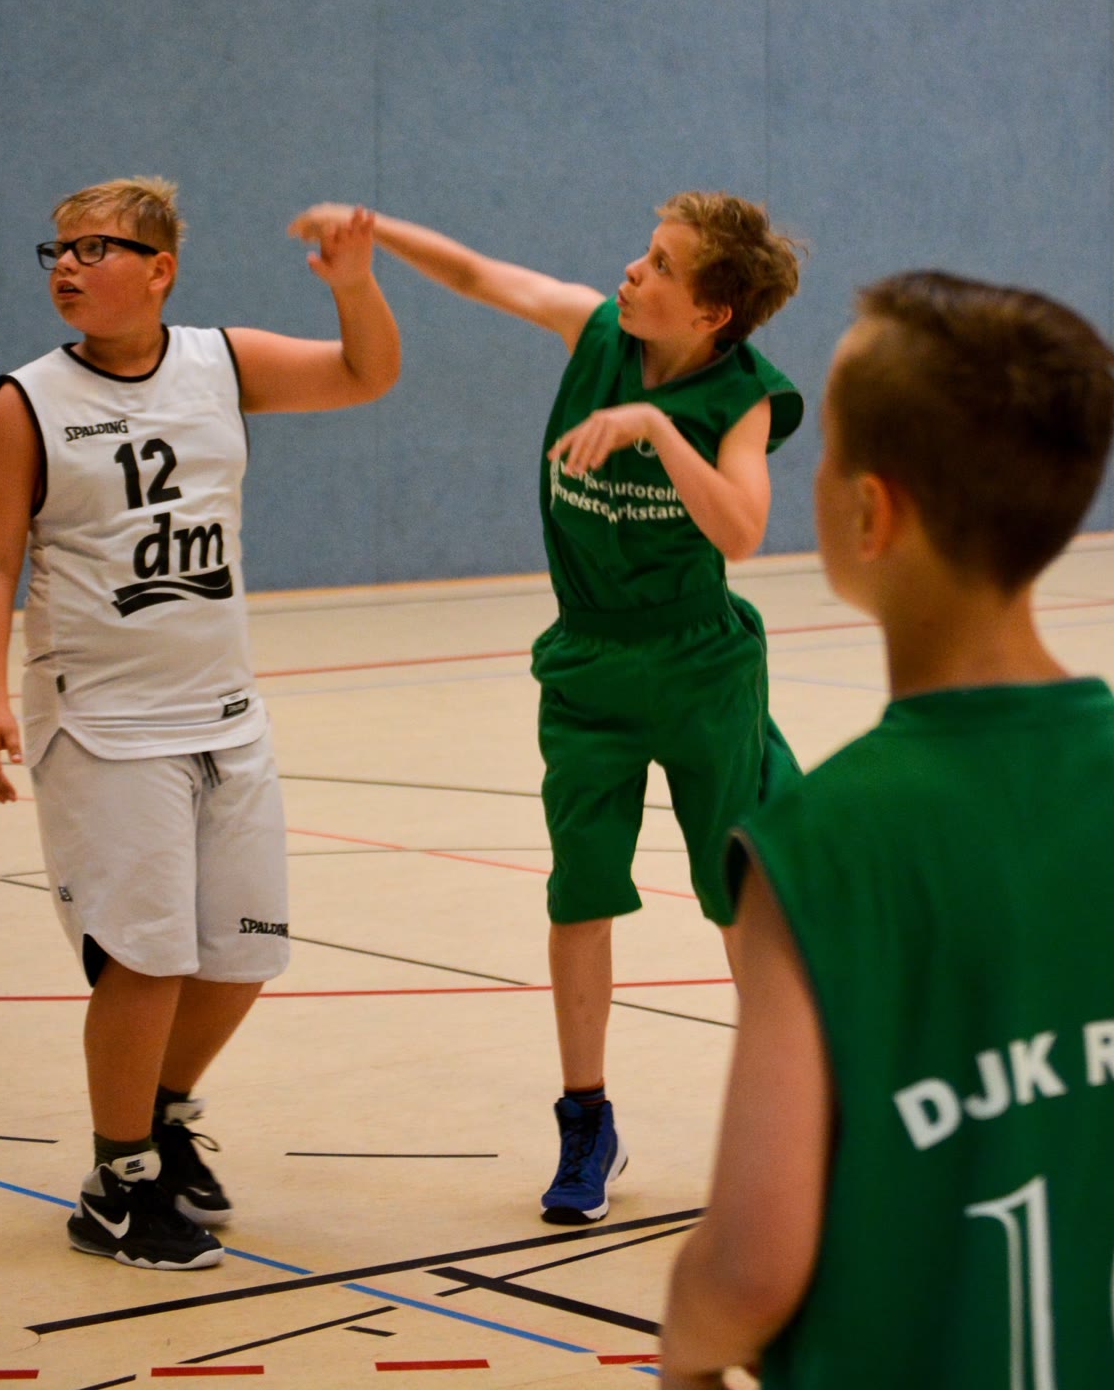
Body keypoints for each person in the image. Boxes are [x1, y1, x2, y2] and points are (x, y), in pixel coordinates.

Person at [661, 270, 1114, 1389]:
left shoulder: (820, 847)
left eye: (828, 451)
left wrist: (686, 1354)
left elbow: (751, 1268)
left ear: (872, 512)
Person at [289, 192, 804, 1225]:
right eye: (645, 251)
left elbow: (743, 530)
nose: (634, 271)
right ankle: (586, 1121)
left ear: (712, 314)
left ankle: (784, 1120)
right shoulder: (594, 330)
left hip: (702, 667)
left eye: (662, 265)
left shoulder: (742, 397)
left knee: (737, 895)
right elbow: (482, 274)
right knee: (580, 893)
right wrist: (377, 235)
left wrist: (657, 427)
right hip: (589, 661)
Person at [0, 177, 400, 1272]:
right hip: (104, 721)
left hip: (225, 709)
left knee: (242, 952)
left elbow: (367, 373)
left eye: (95, 248)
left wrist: (354, 285)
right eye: (58, 250)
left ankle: (156, 1116)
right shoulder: (28, 401)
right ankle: (116, 1187)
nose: (67, 266)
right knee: (145, 962)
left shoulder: (222, 362)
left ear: (159, 270)